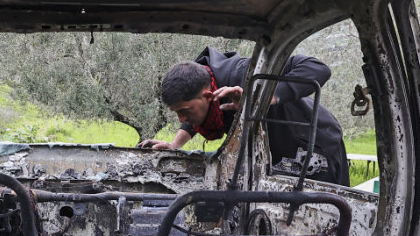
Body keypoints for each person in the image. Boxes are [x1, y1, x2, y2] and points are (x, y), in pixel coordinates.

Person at [138, 46, 349, 185]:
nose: (181, 119)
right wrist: (175, 145)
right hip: (277, 158)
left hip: (316, 148)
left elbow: (319, 68)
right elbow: (197, 116)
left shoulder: (247, 73)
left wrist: (262, 98)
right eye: (177, 113)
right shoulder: (200, 82)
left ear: (207, 95)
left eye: (184, 112)